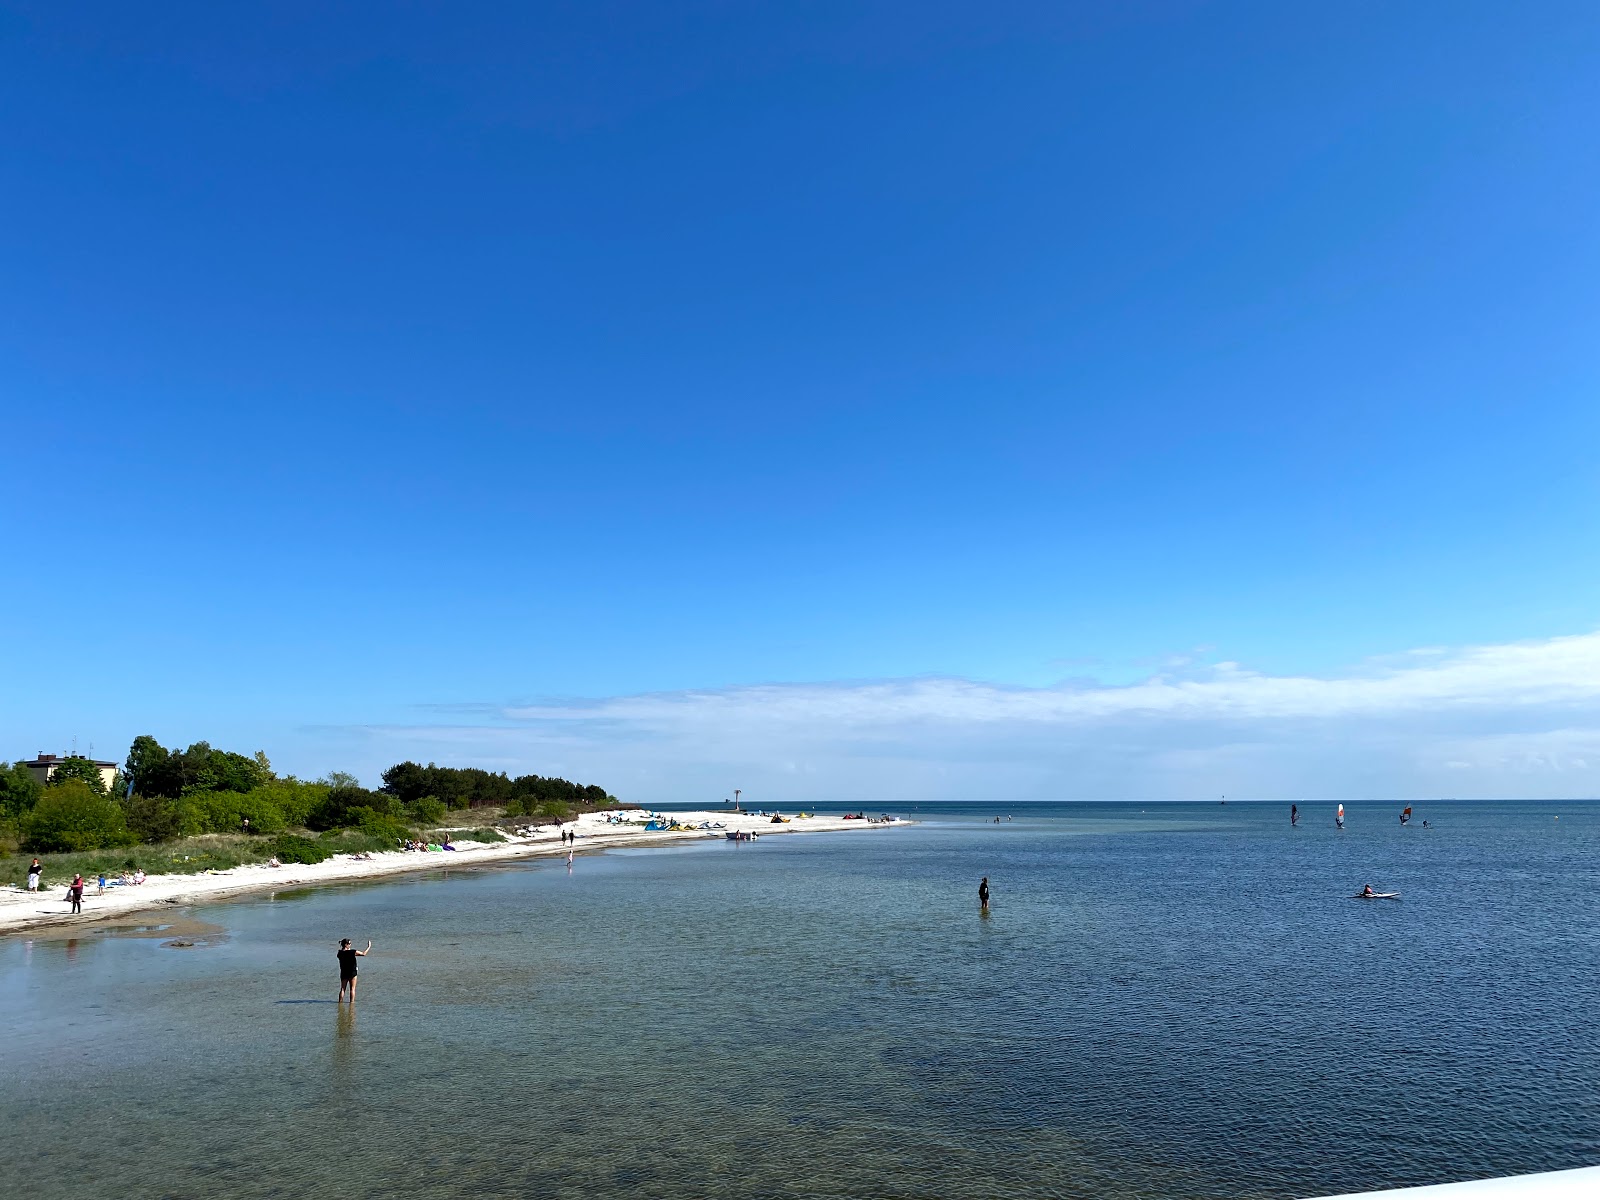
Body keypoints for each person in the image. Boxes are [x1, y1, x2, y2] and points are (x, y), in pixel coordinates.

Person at [337, 938, 372, 1002]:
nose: (350, 945)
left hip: (344, 972)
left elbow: (344, 953)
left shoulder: (339, 953)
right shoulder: (352, 952)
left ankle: (340, 1002)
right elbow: (363, 954)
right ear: (346, 944)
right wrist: (369, 947)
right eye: (349, 944)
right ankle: (352, 1003)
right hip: (352, 972)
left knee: (342, 989)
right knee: (352, 989)